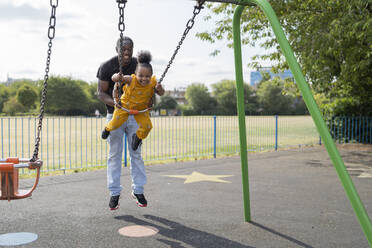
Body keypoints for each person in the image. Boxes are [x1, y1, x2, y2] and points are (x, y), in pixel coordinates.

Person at [97, 37, 155, 210]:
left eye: (130, 49)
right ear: (117, 49)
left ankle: (138, 190)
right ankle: (114, 192)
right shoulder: (107, 66)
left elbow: (148, 87)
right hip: (115, 115)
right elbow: (101, 93)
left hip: (136, 116)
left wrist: (151, 100)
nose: (127, 52)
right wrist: (117, 104)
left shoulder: (140, 65)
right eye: (123, 49)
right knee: (114, 155)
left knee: (136, 153)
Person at [101, 50, 165, 153]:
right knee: (115, 123)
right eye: (141, 75)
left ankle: (138, 137)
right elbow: (114, 78)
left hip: (141, 109)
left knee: (147, 127)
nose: (144, 79)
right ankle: (107, 129)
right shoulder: (131, 80)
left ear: (151, 75)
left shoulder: (153, 83)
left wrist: (160, 88)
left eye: (147, 76)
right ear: (136, 74)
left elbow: (161, 93)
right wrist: (117, 77)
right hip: (124, 106)